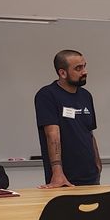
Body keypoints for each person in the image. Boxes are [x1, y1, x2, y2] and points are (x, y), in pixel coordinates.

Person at [35, 49, 101, 188]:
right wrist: (57, 172)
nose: (84, 72)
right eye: (78, 68)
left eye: (84, 66)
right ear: (62, 73)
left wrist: (97, 162)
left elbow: (89, 132)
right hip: (65, 178)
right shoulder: (47, 95)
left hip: (90, 175)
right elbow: (52, 135)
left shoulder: (86, 96)